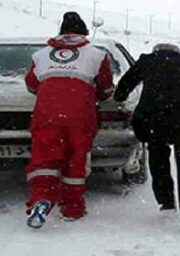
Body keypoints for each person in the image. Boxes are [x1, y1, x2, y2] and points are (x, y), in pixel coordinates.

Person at [23, 12, 114, 228]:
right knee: (76, 158)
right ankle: (72, 208)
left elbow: (31, 84)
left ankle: (41, 199)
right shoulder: (96, 55)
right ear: (84, 32)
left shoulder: (40, 55)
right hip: (80, 114)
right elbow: (106, 89)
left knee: (44, 159)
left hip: (47, 113)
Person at [114, 42, 180, 232]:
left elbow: (124, 86)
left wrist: (119, 97)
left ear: (156, 51)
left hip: (154, 119)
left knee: (158, 156)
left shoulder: (147, 61)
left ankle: (166, 201)